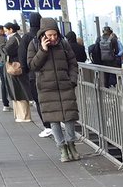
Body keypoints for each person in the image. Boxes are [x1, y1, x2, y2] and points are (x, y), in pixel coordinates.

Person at [28, 18, 82, 163]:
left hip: (65, 86)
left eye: (55, 35)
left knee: (70, 117)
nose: (53, 38)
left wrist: (72, 80)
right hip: (46, 89)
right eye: (49, 35)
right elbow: (33, 65)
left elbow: (73, 63)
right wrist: (43, 50)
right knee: (54, 120)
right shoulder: (34, 45)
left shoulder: (64, 44)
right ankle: (62, 148)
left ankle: (72, 145)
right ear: (43, 34)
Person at [20, 13, 53, 137]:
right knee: (51, 100)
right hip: (50, 74)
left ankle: (47, 126)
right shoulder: (47, 35)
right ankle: (55, 124)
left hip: (34, 76)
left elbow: (23, 60)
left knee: (39, 102)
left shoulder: (26, 38)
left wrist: (25, 73)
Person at [4, 22, 32, 123]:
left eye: (6, 30)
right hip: (18, 66)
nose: (5, 32)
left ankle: (23, 116)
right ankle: (21, 115)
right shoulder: (16, 38)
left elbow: (6, 51)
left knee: (19, 91)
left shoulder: (13, 39)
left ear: (11, 29)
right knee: (18, 91)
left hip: (16, 67)